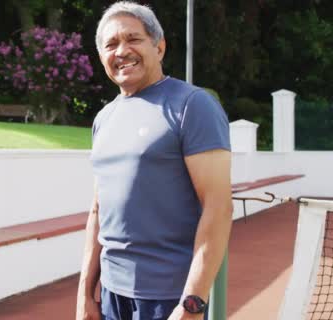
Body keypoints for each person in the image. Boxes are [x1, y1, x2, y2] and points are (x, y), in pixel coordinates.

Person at [76, 2, 232, 320]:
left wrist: (192, 303)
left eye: (133, 39)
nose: (122, 51)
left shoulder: (193, 105)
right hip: (112, 295)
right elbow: (98, 210)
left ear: (158, 47)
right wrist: (84, 294)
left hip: (169, 297)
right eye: (111, 44)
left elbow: (218, 206)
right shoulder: (104, 118)